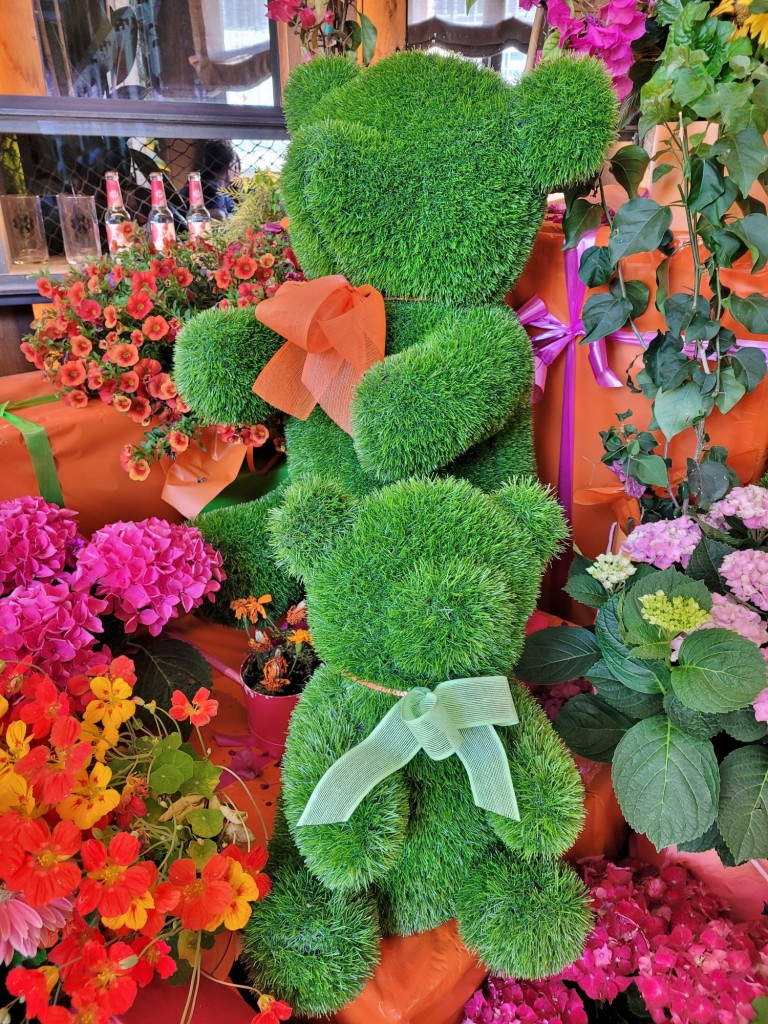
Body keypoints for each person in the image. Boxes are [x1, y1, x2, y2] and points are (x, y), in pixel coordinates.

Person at [182, 139, 240, 220]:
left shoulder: (198, 183)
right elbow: (216, 217)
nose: (237, 172)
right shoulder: (210, 188)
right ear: (230, 167)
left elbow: (235, 207)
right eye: (236, 167)